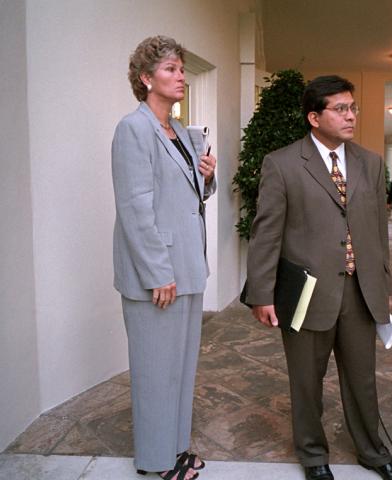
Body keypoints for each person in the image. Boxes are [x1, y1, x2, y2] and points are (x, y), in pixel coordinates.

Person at [245, 75, 392, 480]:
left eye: (352, 107)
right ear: (314, 117)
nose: (351, 115)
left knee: (362, 380)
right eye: (341, 109)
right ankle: (313, 455)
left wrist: (383, 286)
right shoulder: (282, 163)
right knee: (306, 381)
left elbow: (377, 232)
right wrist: (261, 294)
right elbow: (266, 233)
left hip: (359, 291)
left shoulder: (370, 163)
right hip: (306, 293)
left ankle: (373, 452)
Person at [111, 35, 216, 480]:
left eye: (182, 69)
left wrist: (207, 178)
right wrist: (158, 274)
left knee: (180, 370)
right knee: (155, 373)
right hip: (159, 275)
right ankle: (155, 462)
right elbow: (135, 207)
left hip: (188, 268)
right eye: (171, 69)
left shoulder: (180, 134)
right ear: (145, 78)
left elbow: (189, 199)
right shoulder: (133, 129)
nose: (181, 78)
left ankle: (175, 450)